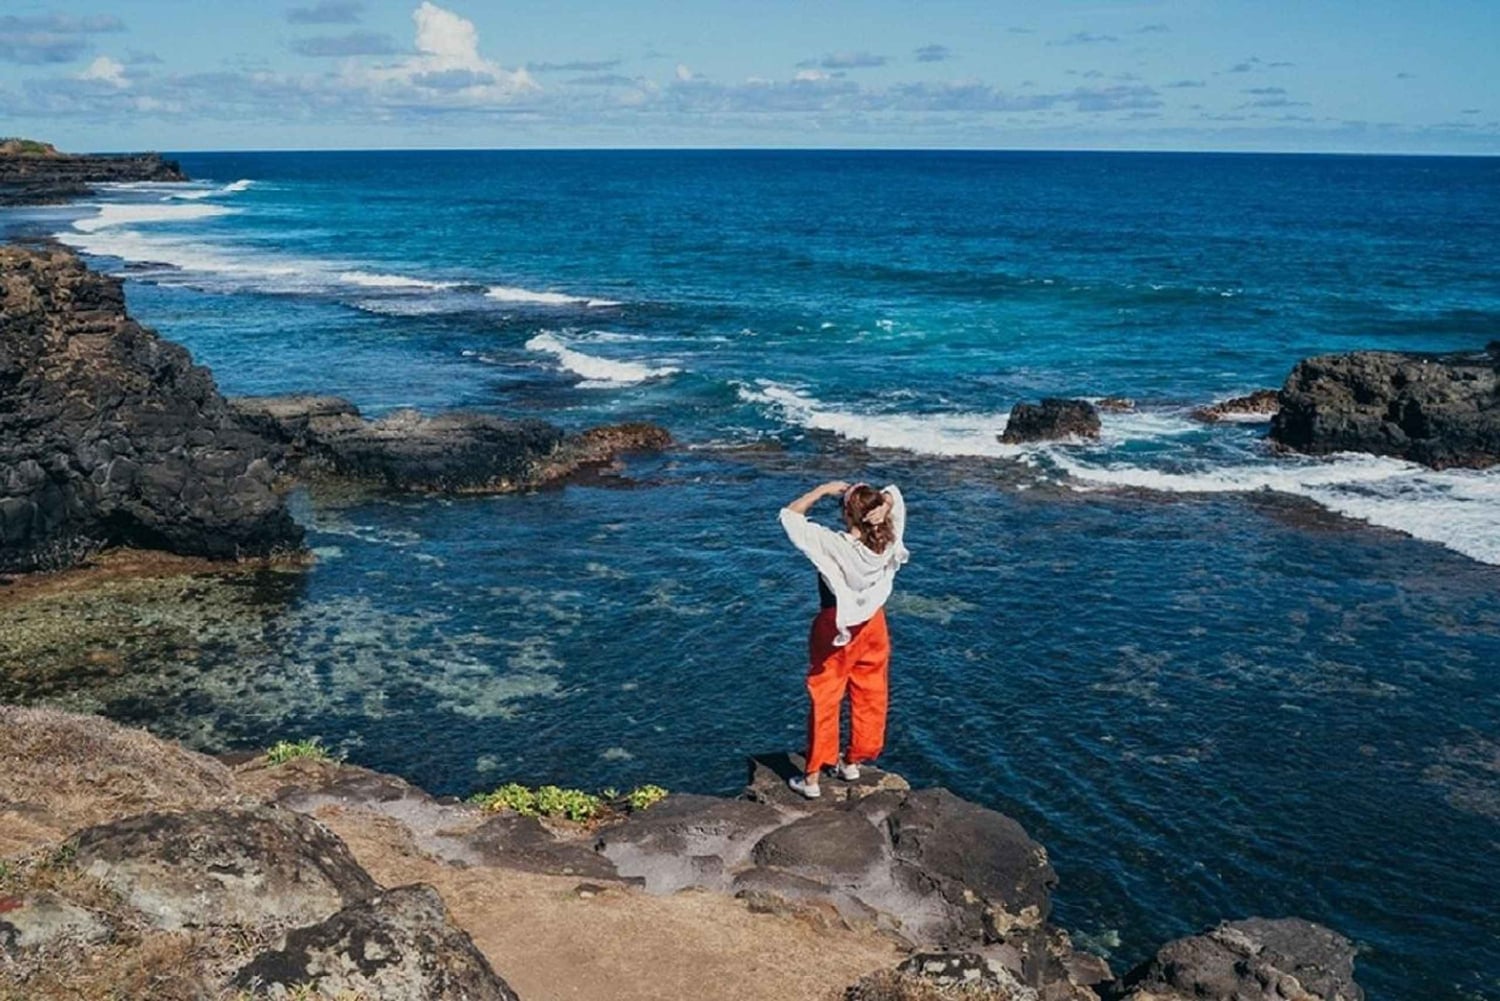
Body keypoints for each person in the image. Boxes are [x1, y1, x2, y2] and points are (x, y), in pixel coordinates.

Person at [778, 479, 909, 798]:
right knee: (871, 693)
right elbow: (895, 494)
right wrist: (886, 506)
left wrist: (821, 490)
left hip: (836, 626)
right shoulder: (889, 535)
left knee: (825, 696)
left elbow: (789, 515)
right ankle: (852, 762)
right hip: (873, 625)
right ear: (877, 513)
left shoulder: (833, 544)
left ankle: (811, 778)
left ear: (847, 515)